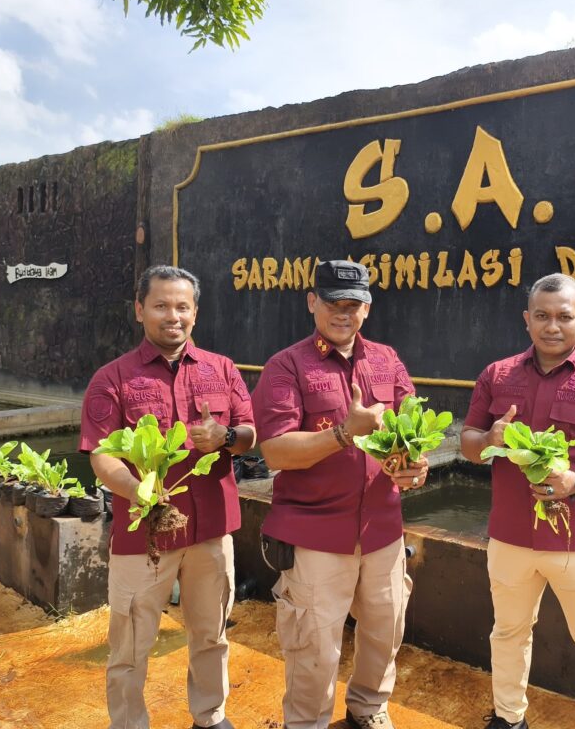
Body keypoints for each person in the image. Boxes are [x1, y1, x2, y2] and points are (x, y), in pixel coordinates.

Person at [460, 273, 575, 729]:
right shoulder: (496, 376)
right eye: (542, 315)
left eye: (564, 316)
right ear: (527, 319)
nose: (552, 326)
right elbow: (468, 442)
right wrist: (488, 438)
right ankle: (508, 718)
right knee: (508, 632)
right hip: (510, 536)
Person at [252, 259, 428, 729]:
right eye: (333, 303)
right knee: (313, 643)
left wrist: (415, 465)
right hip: (315, 532)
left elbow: (414, 430)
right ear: (313, 302)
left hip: (383, 530)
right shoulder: (286, 365)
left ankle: (368, 707)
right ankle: (306, 722)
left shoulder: (387, 360)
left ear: (367, 308)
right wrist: (344, 434)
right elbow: (275, 451)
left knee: (385, 630)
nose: (343, 313)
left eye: (353, 304)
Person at [80, 265, 255, 729]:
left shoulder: (223, 369)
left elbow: (249, 434)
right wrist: (138, 490)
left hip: (210, 530)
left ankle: (210, 715)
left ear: (195, 312)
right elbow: (102, 455)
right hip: (144, 535)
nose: (172, 316)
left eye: (182, 306)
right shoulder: (112, 379)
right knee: (130, 645)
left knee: (211, 634)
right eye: (160, 305)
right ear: (140, 310)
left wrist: (225, 436)